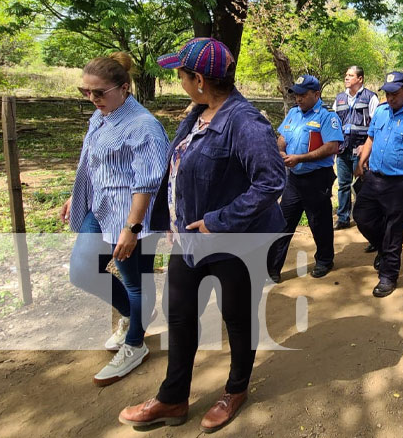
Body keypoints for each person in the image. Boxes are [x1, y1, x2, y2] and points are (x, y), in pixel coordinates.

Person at [119, 38, 286, 433]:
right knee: (180, 316)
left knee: (237, 316)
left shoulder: (245, 122)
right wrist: (170, 221)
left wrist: (218, 221)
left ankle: (236, 389)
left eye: (179, 74)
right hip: (189, 241)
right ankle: (173, 398)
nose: (176, 79)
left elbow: (271, 181)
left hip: (233, 242)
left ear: (198, 79)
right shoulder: (199, 113)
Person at [61, 52, 169, 385]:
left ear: (124, 88)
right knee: (82, 270)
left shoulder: (143, 126)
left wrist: (131, 228)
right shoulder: (102, 116)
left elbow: (148, 181)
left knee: (135, 281)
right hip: (101, 207)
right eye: (86, 92)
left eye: (99, 92)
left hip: (132, 217)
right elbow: (95, 162)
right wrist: (74, 194)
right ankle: (132, 316)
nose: (92, 99)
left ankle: (135, 343)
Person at [353, 71, 403, 297]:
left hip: (399, 184)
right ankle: (383, 249)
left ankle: (388, 276)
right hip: (374, 179)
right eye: (387, 93)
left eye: (395, 94)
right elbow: (370, 138)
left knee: (393, 230)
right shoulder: (380, 111)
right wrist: (362, 161)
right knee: (362, 216)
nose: (390, 98)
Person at [267, 75, 343, 282]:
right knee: (282, 222)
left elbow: (332, 146)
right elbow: (282, 138)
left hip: (317, 178)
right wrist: (280, 151)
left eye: (302, 95)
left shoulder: (328, 117)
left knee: (319, 222)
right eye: (296, 95)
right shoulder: (293, 113)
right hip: (294, 179)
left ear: (316, 94)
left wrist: (300, 157)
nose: (298, 99)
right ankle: (272, 269)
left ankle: (325, 260)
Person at [333, 66, 379, 232]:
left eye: (350, 75)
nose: (346, 78)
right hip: (343, 150)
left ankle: (366, 218)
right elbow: (334, 125)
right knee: (343, 185)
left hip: (362, 151)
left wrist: (366, 147)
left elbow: (376, 126)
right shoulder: (339, 99)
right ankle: (343, 218)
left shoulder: (371, 98)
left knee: (363, 186)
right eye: (346, 75)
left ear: (360, 79)